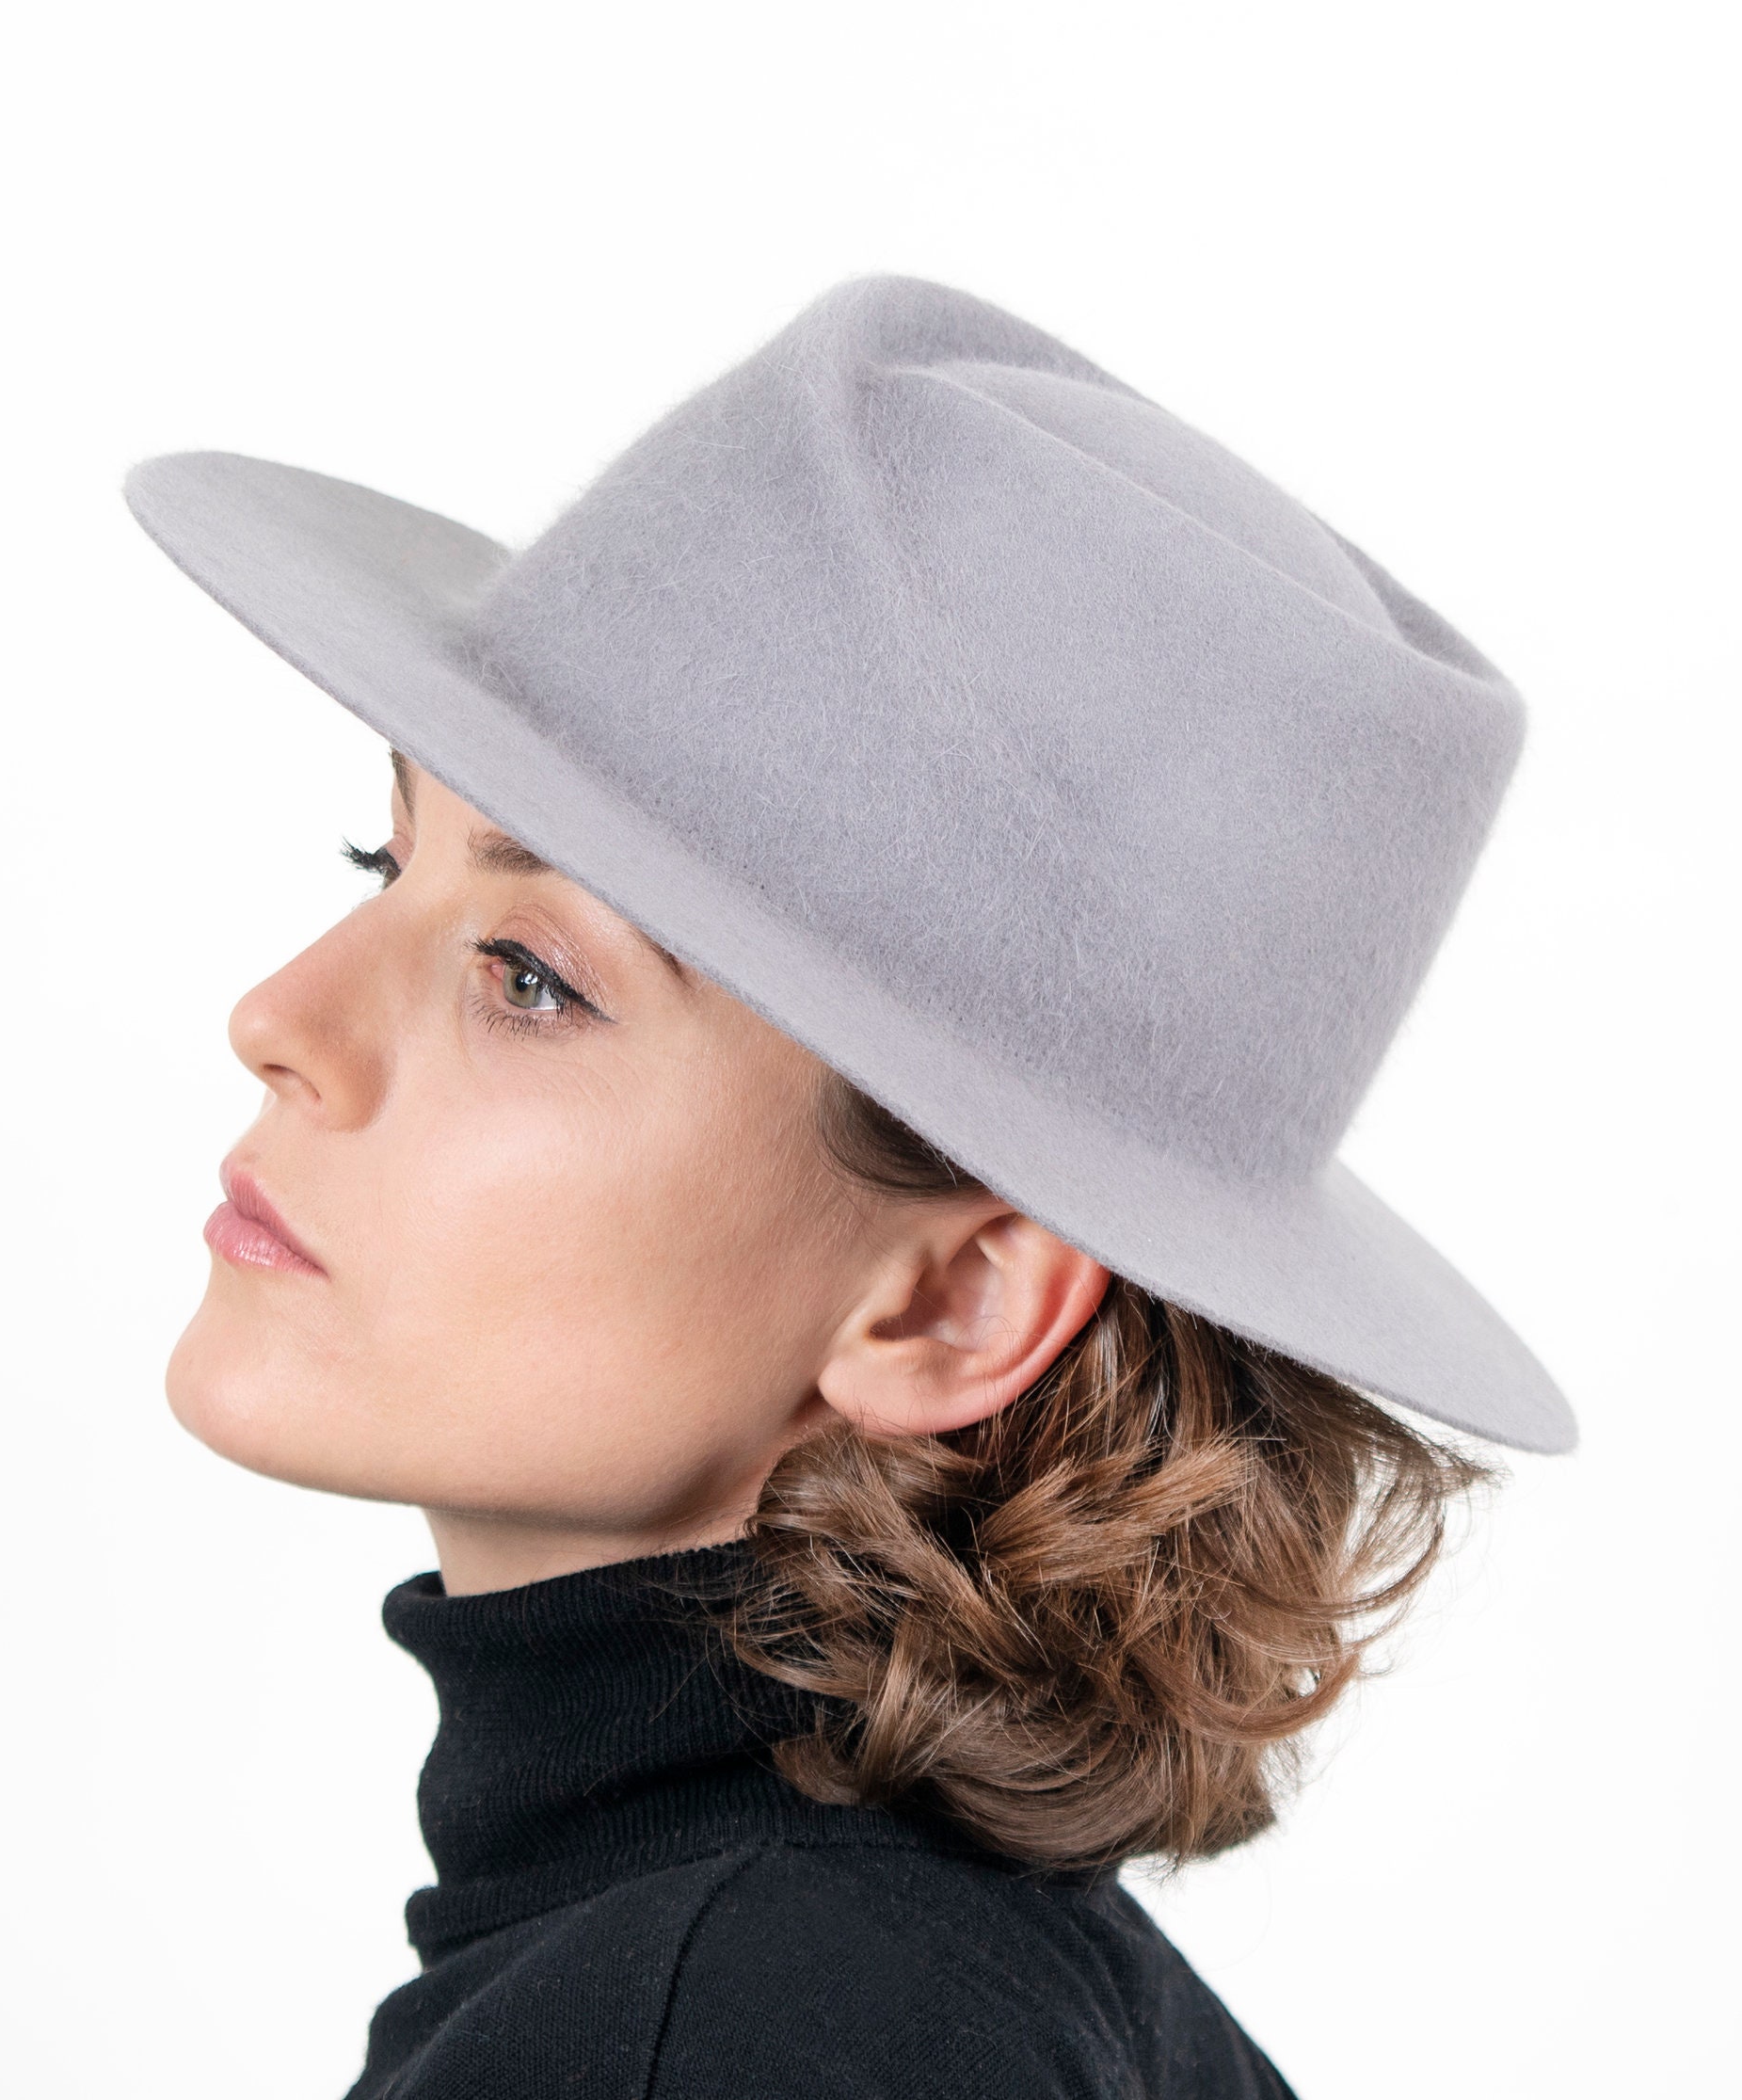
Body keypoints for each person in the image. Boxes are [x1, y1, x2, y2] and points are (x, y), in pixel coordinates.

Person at [124, 273, 1574, 2099]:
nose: (279, 1019)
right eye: (383, 852)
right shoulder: (901, 1985)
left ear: (948, 1305)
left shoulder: (715, 2036)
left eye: (530, 976)